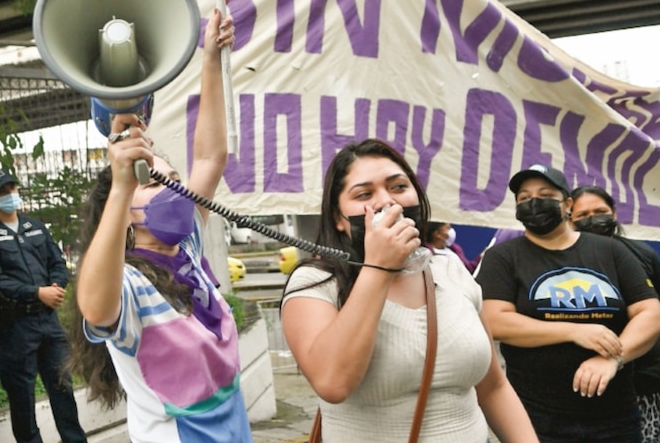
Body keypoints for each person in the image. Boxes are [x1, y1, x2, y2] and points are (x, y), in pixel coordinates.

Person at [69, 8, 254, 442]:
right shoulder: (130, 287)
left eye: (174, 180)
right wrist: (119, 185)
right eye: (154, 182)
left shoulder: (185, 250)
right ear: (123, 215)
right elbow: (95, 309)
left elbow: (209, 157)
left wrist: (210, 57)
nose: (173, 189)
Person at [281, 138, 537, 442]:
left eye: (398, 187)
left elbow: (493, 388)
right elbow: (333, 383)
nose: (386, 202)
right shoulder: (316, 283)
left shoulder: (450, 272)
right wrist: (377, 268)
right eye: (364, 193)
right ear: (338, 219)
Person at [476, 164, 660, 442]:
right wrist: (576, 330)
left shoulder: (611, 250)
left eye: (545, 194)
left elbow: (650, 312)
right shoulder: (503, 256)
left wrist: (614, 359)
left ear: (568, 204)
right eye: (524, 198)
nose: (534, 202)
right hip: (536, 417)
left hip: (616, 416)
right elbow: (496, 320)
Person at [0, 168, 86, 443]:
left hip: (48, 323)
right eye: (2, 192)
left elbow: (57, 263)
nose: (10, 195)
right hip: (15, 328)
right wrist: (36, 293)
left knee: (63, 390)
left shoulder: (36, 227)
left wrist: (56, 287)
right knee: (22, 399)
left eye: (12, 189)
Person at [570, 184, 660, 442]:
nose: (593, 219)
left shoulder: (641, 254)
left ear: (614, 213)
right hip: (580, 385)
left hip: (642, 383)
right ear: (569, 217)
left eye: (600, 211)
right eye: (583, 214)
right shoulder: (559, 258)